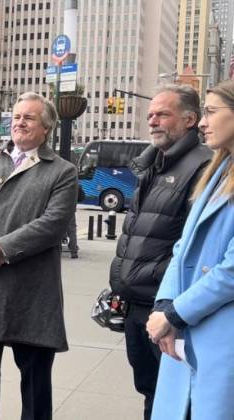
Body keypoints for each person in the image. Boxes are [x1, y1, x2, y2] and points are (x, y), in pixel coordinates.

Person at [0, 92, 78, 420]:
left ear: (46, 128)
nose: (19, 123)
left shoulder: (62, 171)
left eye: (29, 118)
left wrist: (1, 248)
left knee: (35, 389)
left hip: (33, 296)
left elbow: (53, 224)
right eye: (17, 117)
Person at [108, 84, 211, 420]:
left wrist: (170, 308)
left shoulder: (204, 167)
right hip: (137, 305)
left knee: (177, 403)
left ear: (190, 120)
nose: (152, 121)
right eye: (150, 114)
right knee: (151, 393)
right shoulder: (152, 163)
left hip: (167, 310)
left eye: (162, 114)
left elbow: (197, 248)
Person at [146, 80, 234, 420]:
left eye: (211, 112)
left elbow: (230, 270)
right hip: (189, 328)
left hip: (218, 334)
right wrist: (165, 306)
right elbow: (182, 247)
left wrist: (175, 314)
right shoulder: (218, 169)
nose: (202, 122)